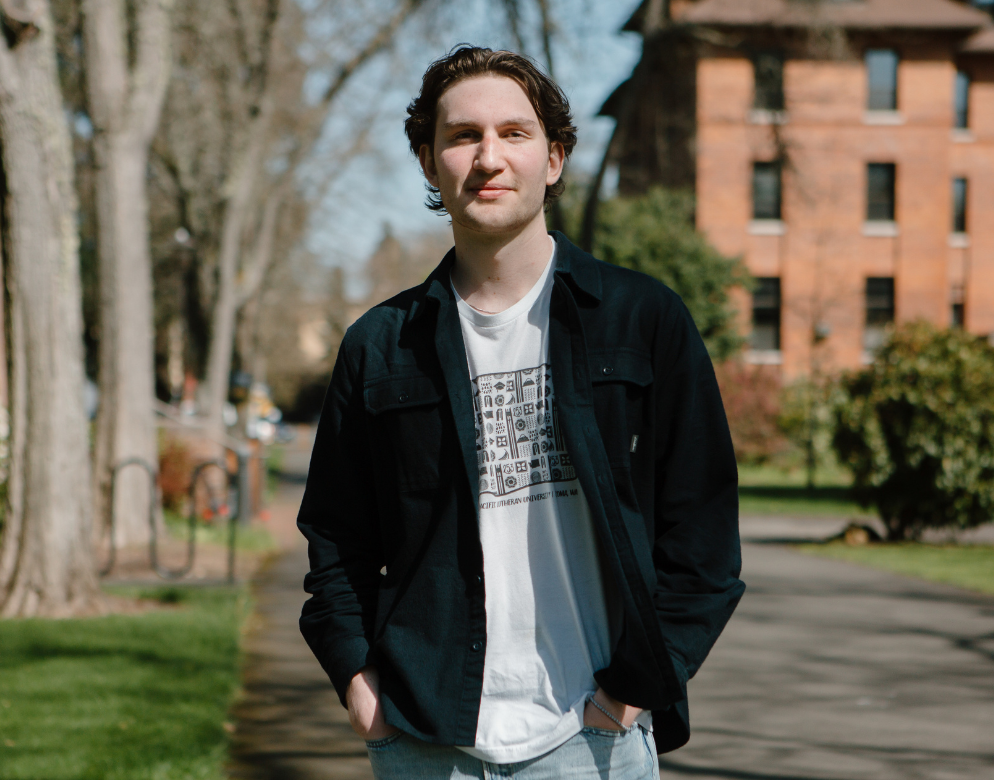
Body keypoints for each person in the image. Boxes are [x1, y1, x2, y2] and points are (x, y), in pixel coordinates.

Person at [298, 45, 744, 779]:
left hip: (592, 735)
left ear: (555, 158)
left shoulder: (642, 321)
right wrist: (358, 684)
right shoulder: (380, 346)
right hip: (424, 737)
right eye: (462, 135)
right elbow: (335, 542)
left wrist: (633, 689)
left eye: (514, 133)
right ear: (427, 161)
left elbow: (701, 537)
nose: (488, 157)